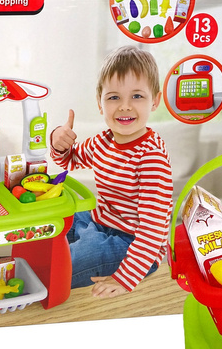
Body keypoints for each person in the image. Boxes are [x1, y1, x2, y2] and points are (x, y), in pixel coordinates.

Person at [49, 46, 173, 298]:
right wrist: (58, 141)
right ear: (100, 103)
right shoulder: (103, 141)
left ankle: (41, 274)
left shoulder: (151, 158)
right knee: (53, 221)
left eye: (137, 96)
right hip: (97, 221)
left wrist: (124, 278)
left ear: (155, 100)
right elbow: (68, 160)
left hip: (132, 243)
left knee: (64, 264)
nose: (125, 106)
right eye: (114, 97)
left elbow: (152, 231)